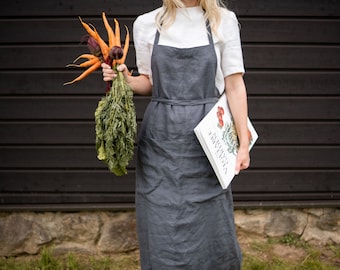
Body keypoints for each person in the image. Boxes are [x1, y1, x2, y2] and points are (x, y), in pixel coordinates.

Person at [102, 0, 250, 268]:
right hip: (161, 139)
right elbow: (148, 83)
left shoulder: (223, 21)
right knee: (161, 217)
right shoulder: (147, 23)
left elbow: (234, 85)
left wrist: (243, 142)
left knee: (210, 217)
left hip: (207, 142)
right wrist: (123, 78)